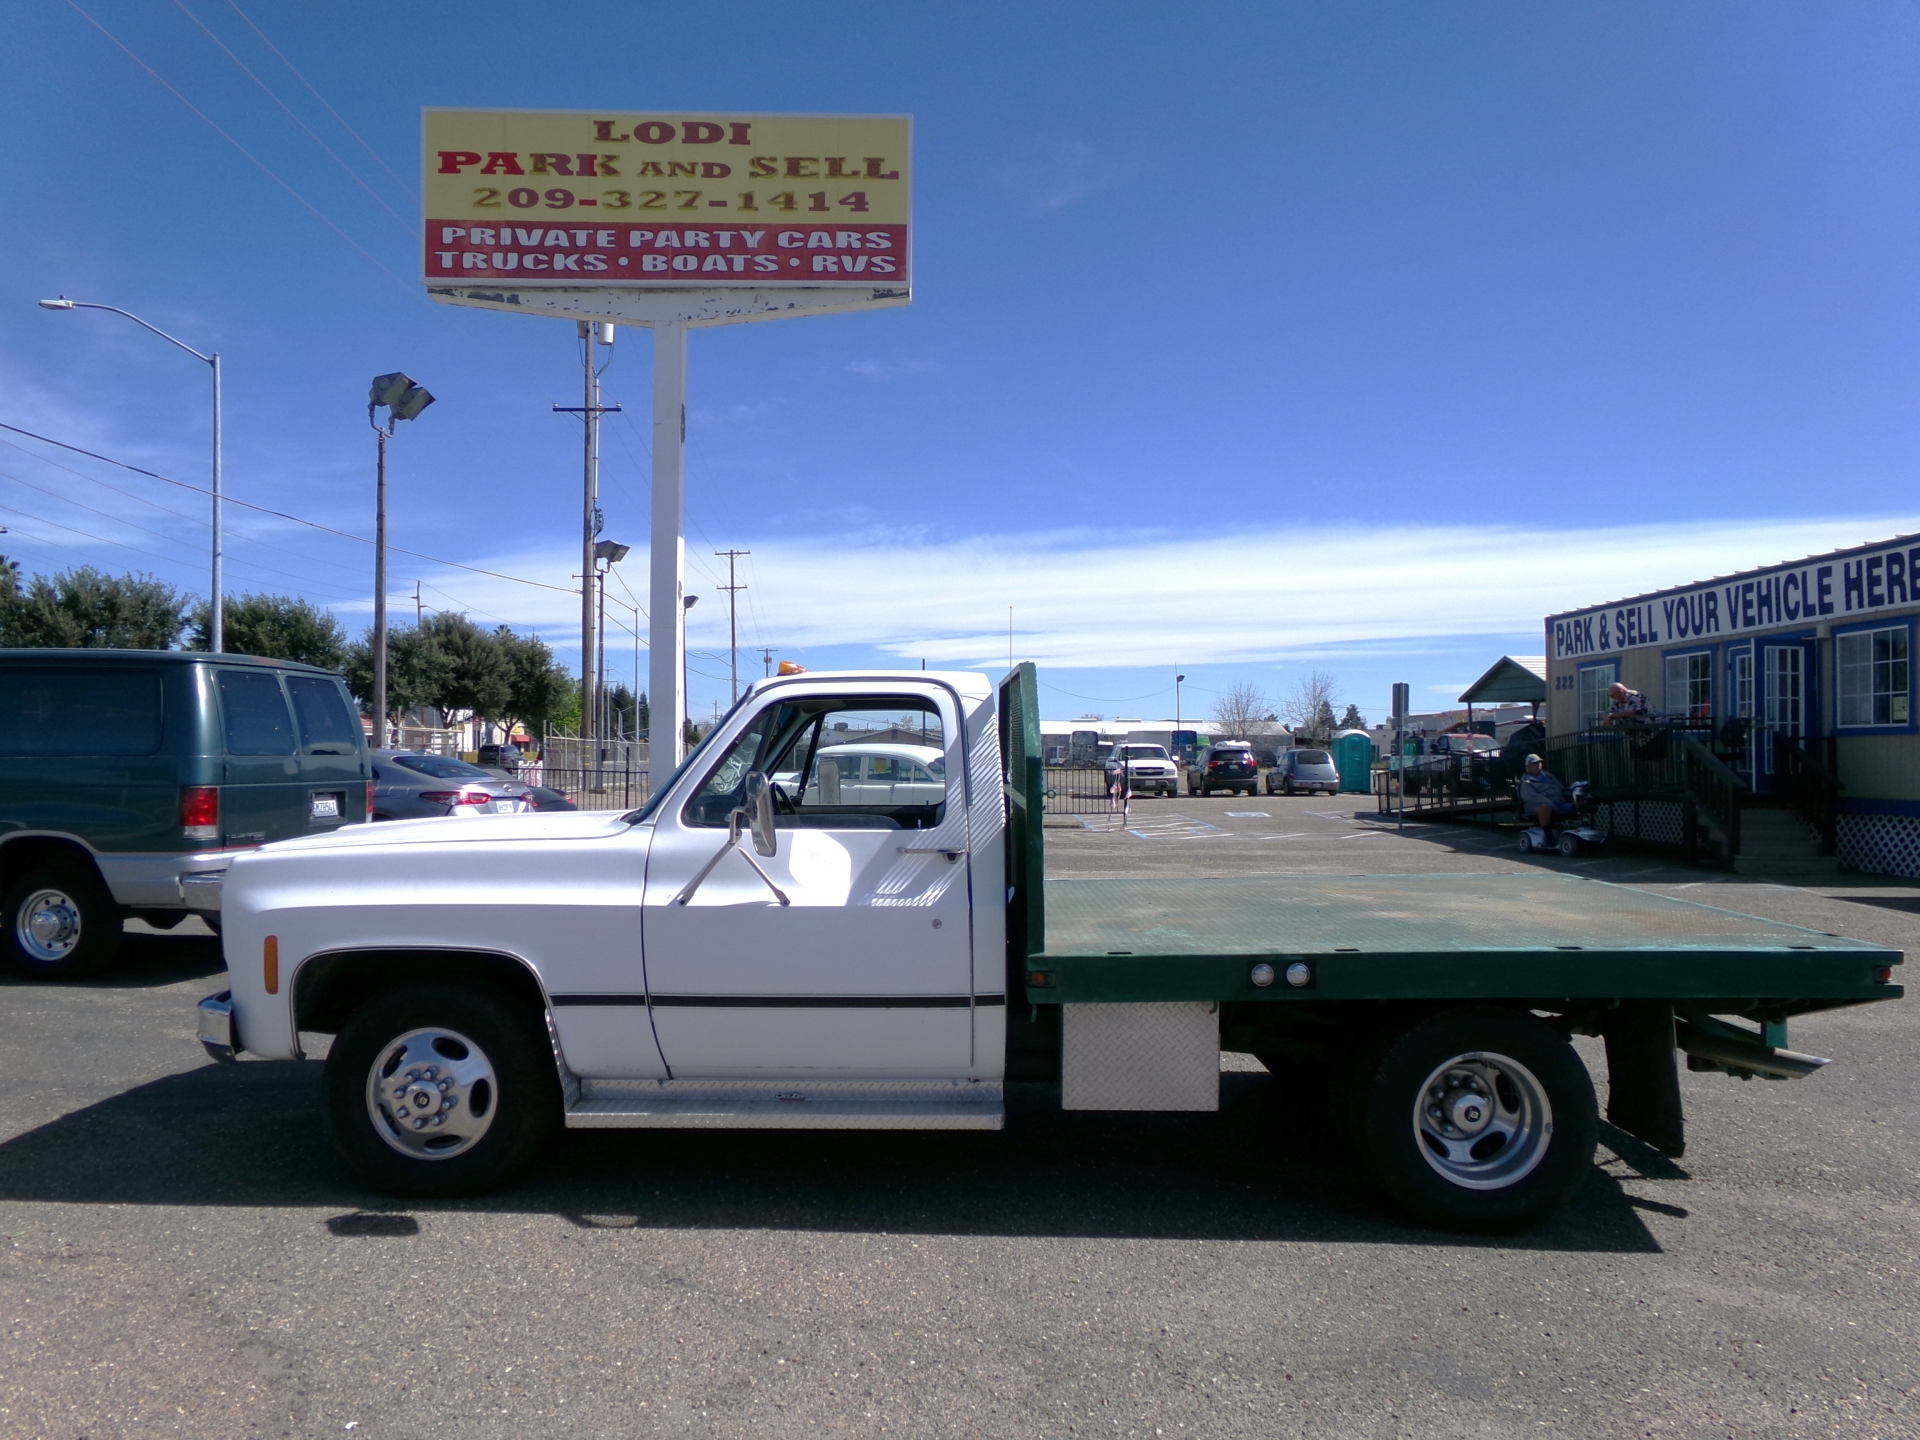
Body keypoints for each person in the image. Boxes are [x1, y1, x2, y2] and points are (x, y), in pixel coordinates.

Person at [1518, 753, 1573, 833]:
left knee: (1579, 802)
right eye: (1534, 764)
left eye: (1539, 763)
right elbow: (1529, 797)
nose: (1538, 765)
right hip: (1536, 805)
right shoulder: (1526, 781)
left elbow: (1560, 787)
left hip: (1559, 802)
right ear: (1528, 766)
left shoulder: (1547, 775)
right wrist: (1549, 803)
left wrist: (1570, 796)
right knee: (1544, 808)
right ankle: (1549, 837)